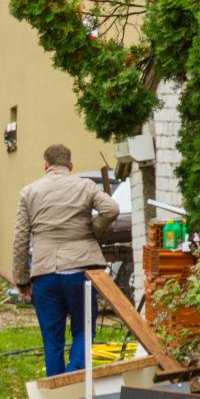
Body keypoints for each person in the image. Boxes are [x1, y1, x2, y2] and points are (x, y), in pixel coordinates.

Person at [12, 144, 119, 377]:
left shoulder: (29, 192)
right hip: (80, 271)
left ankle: (56, 394)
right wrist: (93, 230)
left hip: (44, 273)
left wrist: (21, 279)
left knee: (52, 341)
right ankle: (74, 378)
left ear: (45, 165)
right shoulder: (85, 186)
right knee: (83, 330)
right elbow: (111, 209)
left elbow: (20, 237)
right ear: (71, 166)